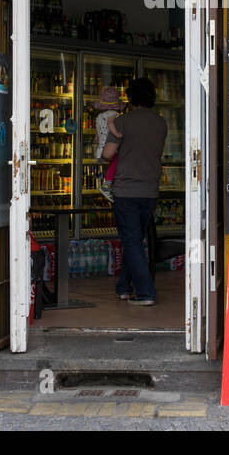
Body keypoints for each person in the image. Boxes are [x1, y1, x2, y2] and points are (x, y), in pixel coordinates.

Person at [102, 77, 166, 306]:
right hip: (150, 190)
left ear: (130, 98)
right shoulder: (161, 123)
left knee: (130, 241)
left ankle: (146, 292)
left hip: (126, 189)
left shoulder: (122, 122)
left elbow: (108, 154)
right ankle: (123, 287)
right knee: (135, 240)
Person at [92, 86, 123, 201]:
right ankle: (107, 185)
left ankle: (109, 183)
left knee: (111, 166)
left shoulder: (99, 117)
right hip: (109, 145)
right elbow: (110, 124)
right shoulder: (113, 113)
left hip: (101, 148)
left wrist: (98, 141)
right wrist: (117, 134)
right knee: (117, 161)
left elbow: (96, 136)